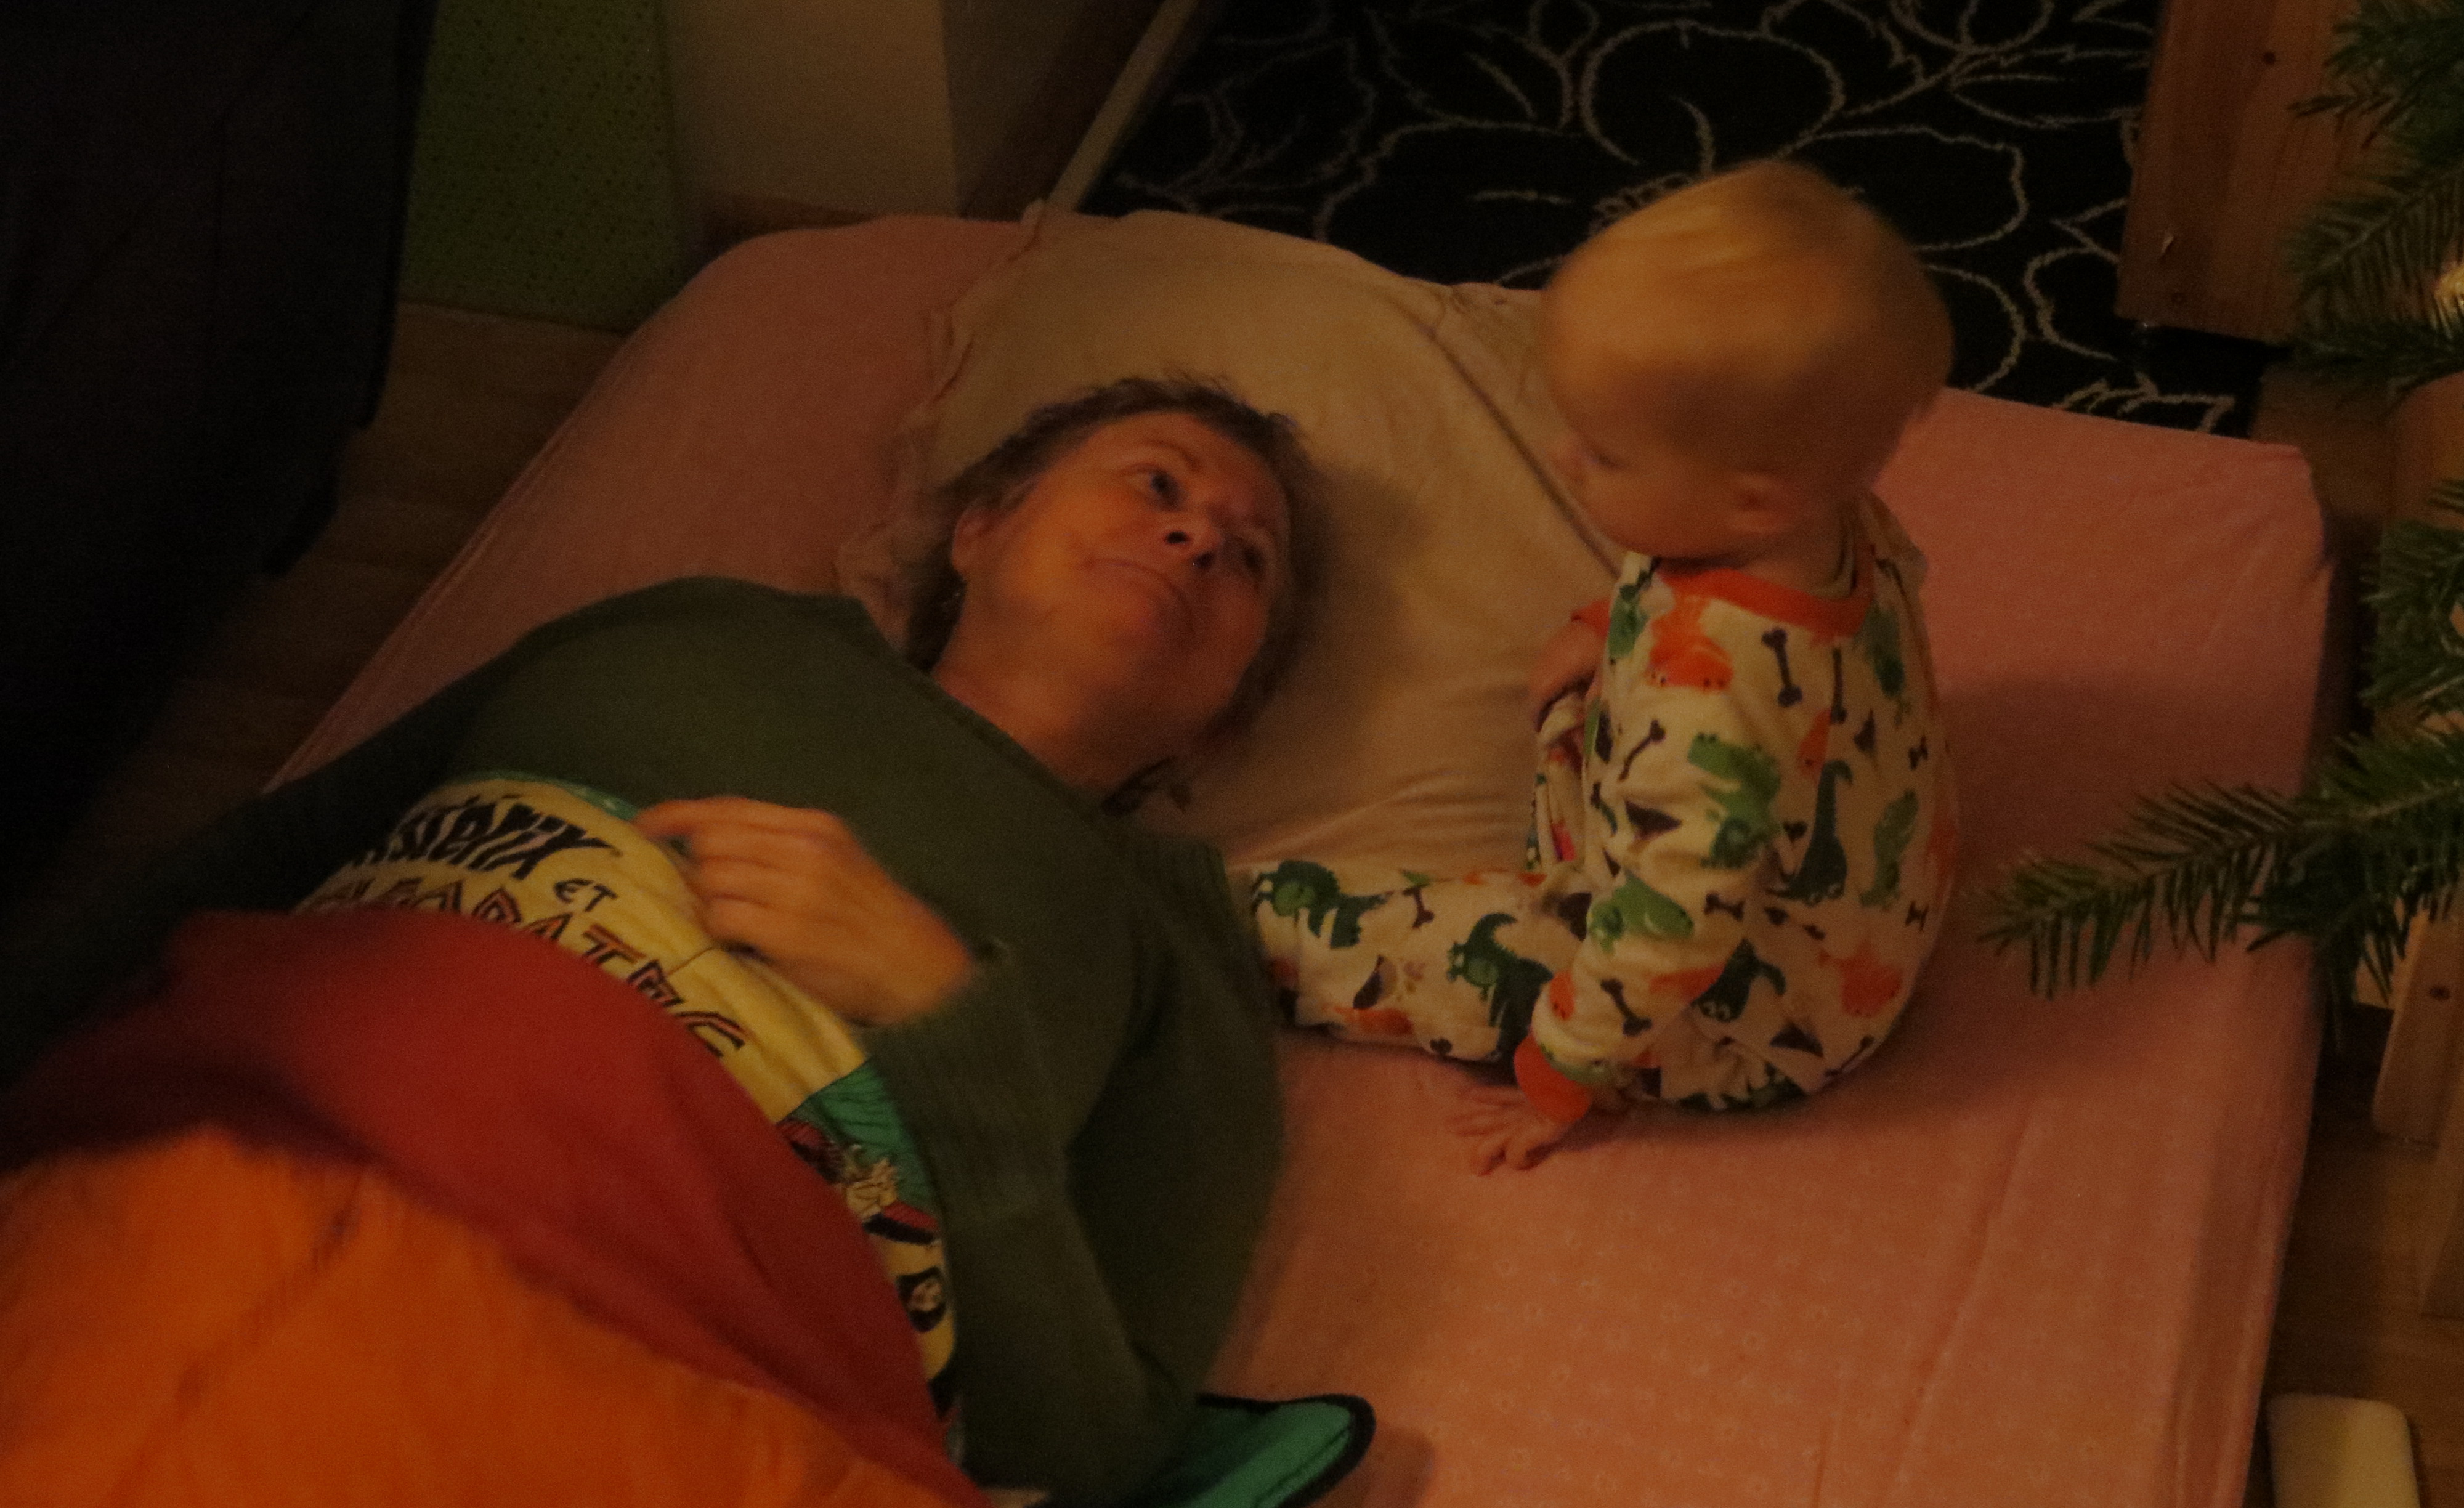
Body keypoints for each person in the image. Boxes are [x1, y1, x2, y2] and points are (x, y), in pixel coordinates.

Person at [0, 377, 1329, 1508]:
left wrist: (945, 1027)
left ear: (1220, 724)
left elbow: (1094, 1451)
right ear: (979, 527)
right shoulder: (696, 626)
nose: (1194, 536)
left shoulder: (1175, 953)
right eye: (1158, 483)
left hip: (656, 1342)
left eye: (1249, 558)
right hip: (220, 1139)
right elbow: (269, 849)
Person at [1248, 161, 1958, 1172]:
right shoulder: (1832, 517)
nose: (1563, 459)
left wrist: (1563, 1073)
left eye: (1605, 455)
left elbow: (1671, 931)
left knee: (1448, 949)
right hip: (1866, 913)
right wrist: (1606, 624)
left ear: (1755, 500)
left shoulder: (1705, 704)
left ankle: (1233, 924)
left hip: (1756, 1025)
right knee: (1583, 723)